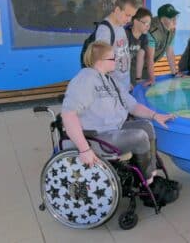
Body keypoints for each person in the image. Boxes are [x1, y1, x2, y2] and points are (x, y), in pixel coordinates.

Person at [61, 41, 176, 182]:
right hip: (95, 136)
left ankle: (149, 172)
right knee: (139, 136)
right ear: (100, 61)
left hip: (112, 128)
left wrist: (155, 115)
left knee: (147, 126)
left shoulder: (110, 80)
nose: (116, 60)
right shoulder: (85, 79)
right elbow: (68, 114)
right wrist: (84, 150)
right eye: (113, 58)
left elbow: (133, 106)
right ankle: (147, 179)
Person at [94, 0, 138, 90]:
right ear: (117, 10)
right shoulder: (105, 30)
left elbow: (122, 54)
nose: (129, 19)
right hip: (113, 89)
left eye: (132, 16)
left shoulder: (120, 26)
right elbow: (99, 65)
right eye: (127, 15)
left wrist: (127, 82)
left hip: (123, 86)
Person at [143, 4, 182, 86]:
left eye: (175, 17)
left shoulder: (171, 29)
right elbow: (149, 57)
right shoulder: (152, 31)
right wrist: (152, 78)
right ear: (162, 19)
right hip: (136, 65)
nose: (175, 21)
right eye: (171, 18)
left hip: (147, 65)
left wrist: (174, 73)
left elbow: (170, 52)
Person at [126, 7, 152, 86]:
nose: (148, 27)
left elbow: (140, 58)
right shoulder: (125, 35)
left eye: (149, 24)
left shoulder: (144, 37)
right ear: (135, 21)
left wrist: (138, 78)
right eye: (146, 23)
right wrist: (125, 81)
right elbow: (119, 60)